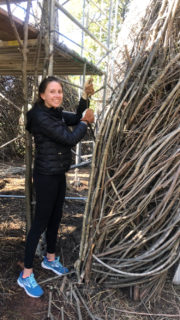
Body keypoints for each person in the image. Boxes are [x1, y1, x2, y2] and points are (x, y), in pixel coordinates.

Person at [17, 76, 94, 298]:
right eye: (52, 91)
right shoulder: (39, 116)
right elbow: (68, 138)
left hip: (58, 173)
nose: (57, 95)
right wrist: (86, 123)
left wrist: (85, 98)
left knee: (55, 218)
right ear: (42, 95)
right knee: (40, 222)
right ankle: (26, 274)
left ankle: (50, 259)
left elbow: (77, 117)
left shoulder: (54, 112)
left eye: (59, 91)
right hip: (45, 176)